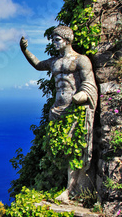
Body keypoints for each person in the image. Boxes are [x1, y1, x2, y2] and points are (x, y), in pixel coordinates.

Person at [20, 25, 98, 202]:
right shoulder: (55, 62)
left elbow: (89, 83)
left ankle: (70, 190)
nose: (54, 43)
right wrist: (25, 51)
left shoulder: (81, 60)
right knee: (61, 149)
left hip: (74, 108)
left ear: (67, 40)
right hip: (57, 108)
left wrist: (82, 95)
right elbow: (38, 65)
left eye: (57, 40)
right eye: (53, 40)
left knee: (75, 150)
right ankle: (66, 186)